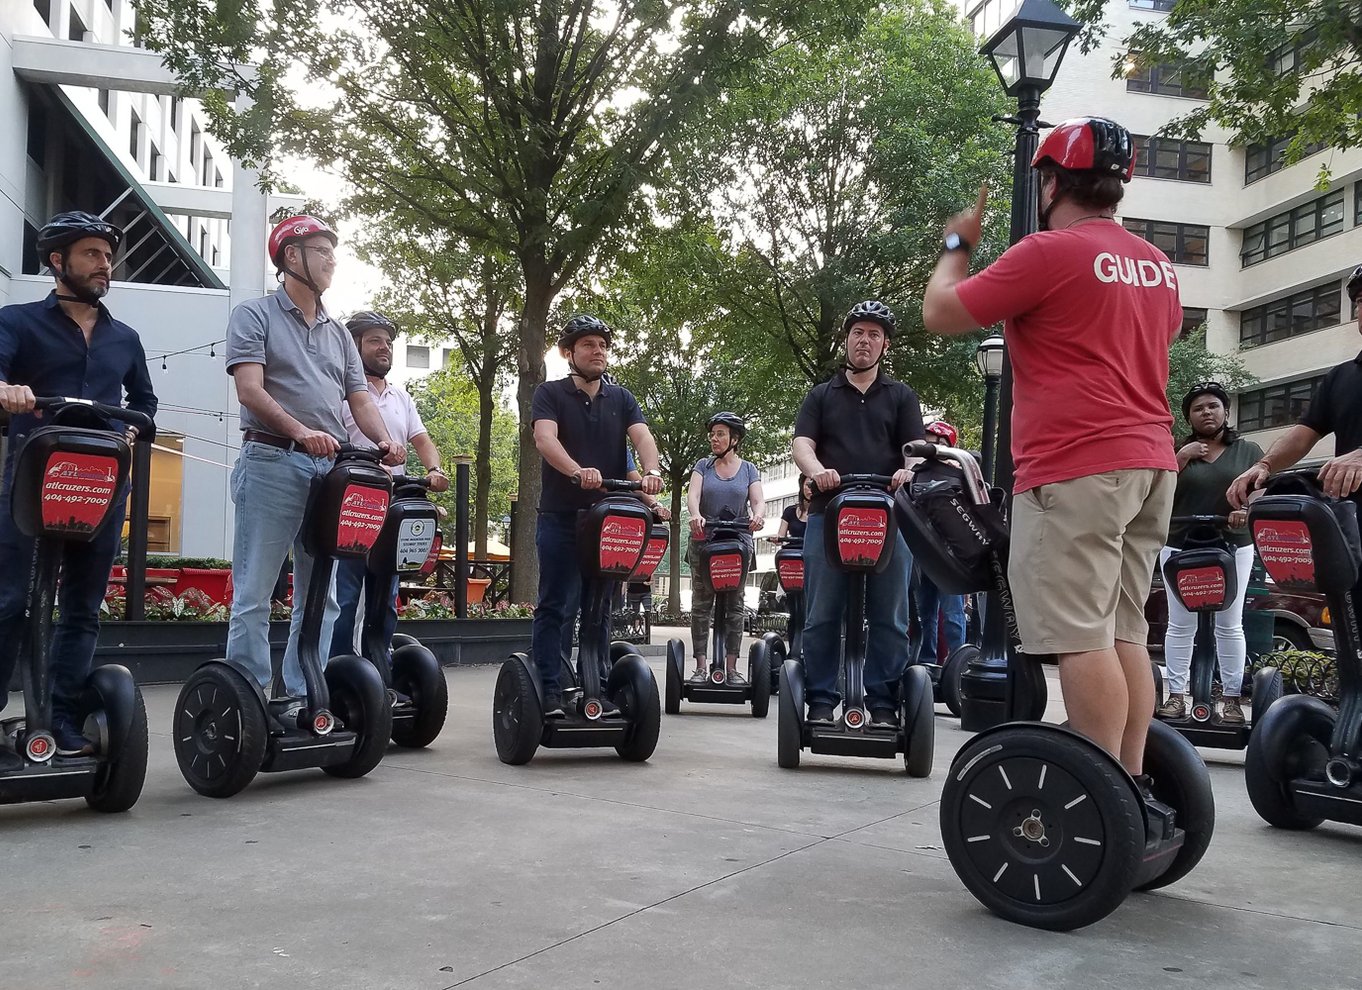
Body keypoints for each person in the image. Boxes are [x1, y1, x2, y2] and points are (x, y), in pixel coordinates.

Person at [922, 116, 1182, 783]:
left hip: (1076, 469)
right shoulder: (1158, 267)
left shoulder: (1048, 252)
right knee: (1125, 632)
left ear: (1049, 181)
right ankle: (1131, 783)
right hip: (1151, 464)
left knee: (1079, 639)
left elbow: (942, 312)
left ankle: (1100, 794)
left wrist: (958, 241)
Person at [224, 216, 405, 707]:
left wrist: (385, 441)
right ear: (291, 257)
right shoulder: (254, 315)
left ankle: (304, 693)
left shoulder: (339, 333)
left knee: (322, 594)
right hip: (271, 459)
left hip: (329, 472)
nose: (331, 260)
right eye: (321, 250)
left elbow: (359, 399)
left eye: (332, 251)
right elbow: (249, 389)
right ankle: (249, 700)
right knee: (255, 592)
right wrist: (301, 431)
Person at [0, 212, 157, 755]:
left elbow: (145, 400)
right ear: (57, 261)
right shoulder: (17, 322)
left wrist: (132, 430)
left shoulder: (125, 338)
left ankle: (62, 719)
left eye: (107, 256)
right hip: (30, 479)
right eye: (91, 254)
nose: (104, 265)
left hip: (99, 484)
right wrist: (8, 390)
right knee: (11, 598)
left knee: (83, 607)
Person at [792, 301, 922, 727]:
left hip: (888, 519)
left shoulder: (901, 396)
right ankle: (822, 701)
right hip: (829, 513)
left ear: (885, 345)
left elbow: (915, 451)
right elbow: (802, 445)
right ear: (846, 339)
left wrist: (908, 471)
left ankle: (884, 704)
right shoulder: (822, 395)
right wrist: (817, 472)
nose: (864, 341)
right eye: (858, 333)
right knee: (822, 611)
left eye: (874, 334)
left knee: (891, 615)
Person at [531, 315, 663, 717]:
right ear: (568, 353)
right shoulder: (550, 393)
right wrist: (575, 470)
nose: (598, 351)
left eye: (603, 344)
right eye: (588, 344)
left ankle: (598, 685)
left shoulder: (621, 398)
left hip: (608, 522)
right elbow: (544, 438)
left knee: (600, 606)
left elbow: (642, 437)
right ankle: (550, 689)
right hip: (561, 517)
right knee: (558, 604)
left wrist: (652, 474)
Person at [328, 311, 449, 660]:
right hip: (353, 500)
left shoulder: (401, 397)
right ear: (354, 346)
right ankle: (340, 669)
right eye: (374, 341)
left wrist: (435, 469)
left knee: (386, 592)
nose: (384, 348)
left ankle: (378, 665)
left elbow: (422, 440)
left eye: (388, 342)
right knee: (346, 594)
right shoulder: (341, 392)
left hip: (394, 501)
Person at [1157, 383, 1263, 724]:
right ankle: (1176, 695)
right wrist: (1181, 458)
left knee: (1230, 624)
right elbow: (1154, 489)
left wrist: (1247, 509)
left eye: (1213, 406)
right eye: (1199, 408)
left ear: (1226, 412)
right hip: (1180, 543)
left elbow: (1261, 490)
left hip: (1232, 543)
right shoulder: (1174, 450)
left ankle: (1231, 699)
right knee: (1180, 623)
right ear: (1189, 416)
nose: (1207, 412)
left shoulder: (1248, 451)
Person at [1228, 264, 1362, 508]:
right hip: (1350, 525)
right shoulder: (1342, 376)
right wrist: (1263, 465)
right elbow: (1302, 437)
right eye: (1361, 300)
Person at [686, 411, 764, 684]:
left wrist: (757, 516)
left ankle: (731, 668)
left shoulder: (748, 469)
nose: (714, 438)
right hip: (704, 540)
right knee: (701, 604)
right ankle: (700, 666)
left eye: (720, 434)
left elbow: (757, 501)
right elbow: (693, 495)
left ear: (735, 438)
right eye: (712, 434)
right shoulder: (703, 466)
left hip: (737, 543)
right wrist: (695, 515)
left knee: (735, 605)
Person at [916, 420, 968, 666]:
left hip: (950, 555)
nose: (928, 445)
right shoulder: (918, 474)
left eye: (933, 441)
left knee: (953, 614)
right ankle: (927, 663)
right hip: (924, 552)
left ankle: (957, 663)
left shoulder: (962, 474)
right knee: (924, 614)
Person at [776, 474, 813, 540]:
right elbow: (780, 536)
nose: (811, 489)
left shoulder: (825, 511)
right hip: (793, 549)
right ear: (802, 486)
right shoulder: (790, 511)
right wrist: (777, 539)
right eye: (809, 485)